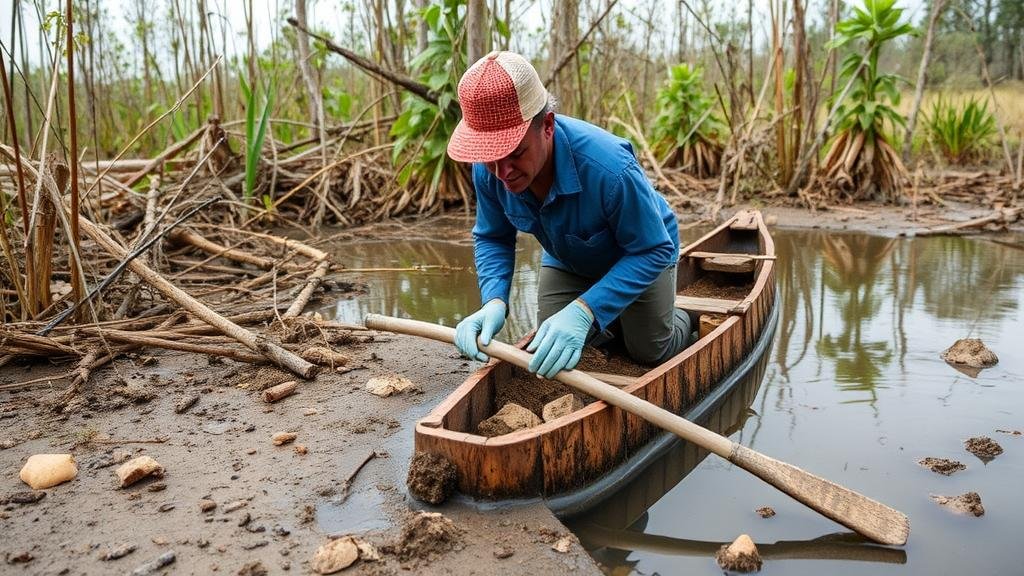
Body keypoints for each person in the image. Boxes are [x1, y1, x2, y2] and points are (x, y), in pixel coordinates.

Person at [447, 51, 691, 379]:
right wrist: (494, 301)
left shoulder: (611, 169)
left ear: (546, 125)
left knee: (647, 351)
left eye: (515, 153)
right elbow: (493, 237)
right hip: (570, 257)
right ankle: (612, 315)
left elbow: (653, 249)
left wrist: (585, 310)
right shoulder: (490, 168)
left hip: (640, 251)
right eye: (491, 158)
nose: (502, 172)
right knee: (548, 353)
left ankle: (682, 316)